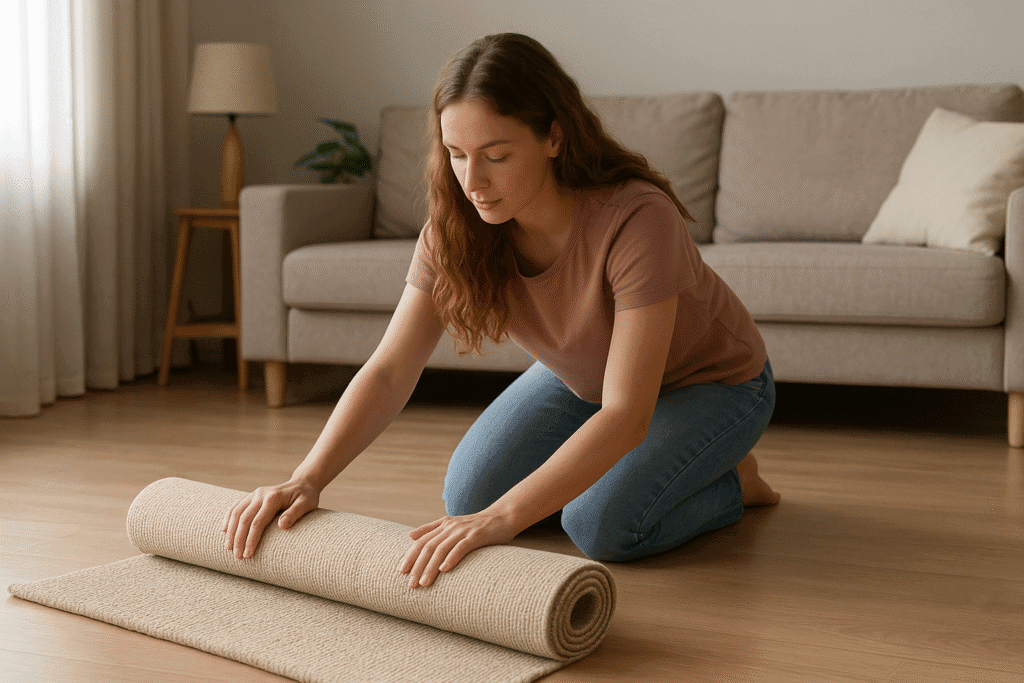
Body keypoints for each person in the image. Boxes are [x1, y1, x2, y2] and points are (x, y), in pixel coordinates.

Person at [222, 32, 780, 590]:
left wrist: (505, 519)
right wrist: (306, 480)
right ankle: (664, 470)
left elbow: (627, 413)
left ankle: (734, 480)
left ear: (553, 138)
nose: (473, 182)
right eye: (456, 154)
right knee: (469, 497)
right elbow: (391, 369)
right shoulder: (454, 227)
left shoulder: (637, 220)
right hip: (586, 379)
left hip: (712, 385)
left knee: (599, 525)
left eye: (497, 155)